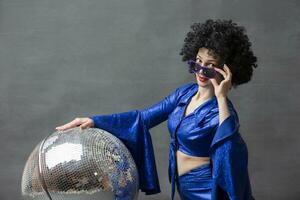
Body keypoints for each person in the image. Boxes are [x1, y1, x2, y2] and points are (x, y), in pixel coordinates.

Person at [56, 19, 257, 200]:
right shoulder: (184, 94)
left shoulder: (222, 111)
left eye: (210, 66)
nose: (201, 71)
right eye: (197, 61)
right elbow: (143, 119)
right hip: (182, 185)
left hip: (207, 189)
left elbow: (229, 152)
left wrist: (222, 97)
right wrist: (94, 121)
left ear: (226, 70)